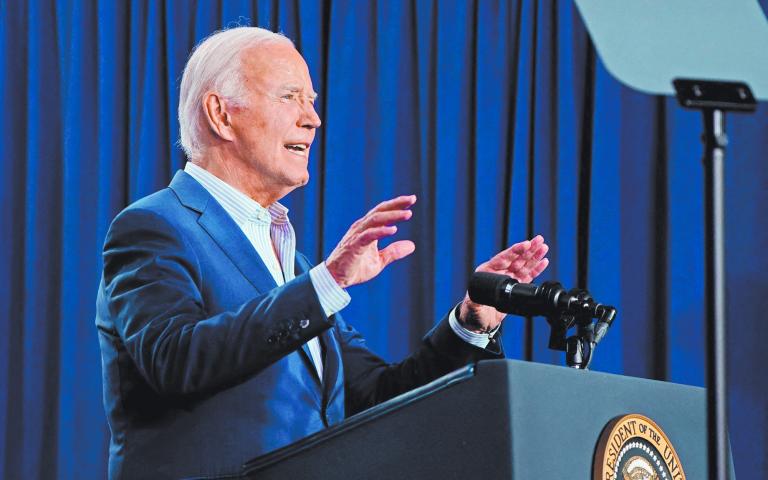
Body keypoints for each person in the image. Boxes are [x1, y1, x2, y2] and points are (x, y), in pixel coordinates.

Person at [95, 26, 549, 479]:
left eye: (311, 101)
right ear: (220, 114)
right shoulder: (154, 227)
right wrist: (327, 283)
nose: (312, 119)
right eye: (289, 97)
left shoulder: (292, 265)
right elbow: (176, 359)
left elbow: (375, 396)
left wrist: (470, 324)